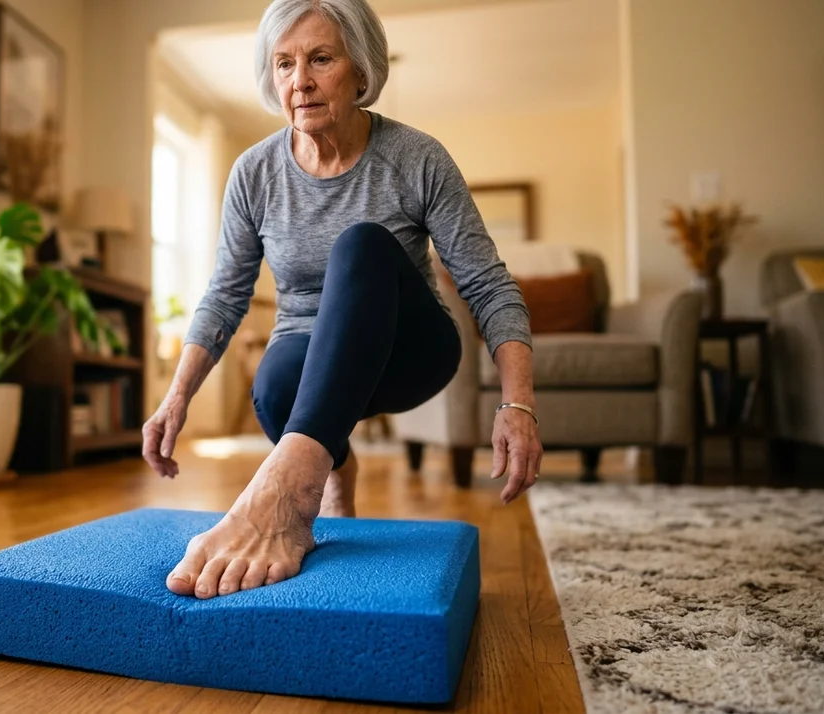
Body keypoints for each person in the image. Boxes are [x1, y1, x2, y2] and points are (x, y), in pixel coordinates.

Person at [141, 0, 543, 600]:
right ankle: (332, 467)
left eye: (320, 59)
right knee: (275, 387)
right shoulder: (254, 173)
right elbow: (225, 294)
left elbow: (487, 283)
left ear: (361, 71)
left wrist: (519, 403)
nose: (299, 80)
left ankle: (284, 493)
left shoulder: (417, 157)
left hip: (409, 349)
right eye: (284, 64)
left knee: (361, 245)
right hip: (307, 351)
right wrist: (176, 398)